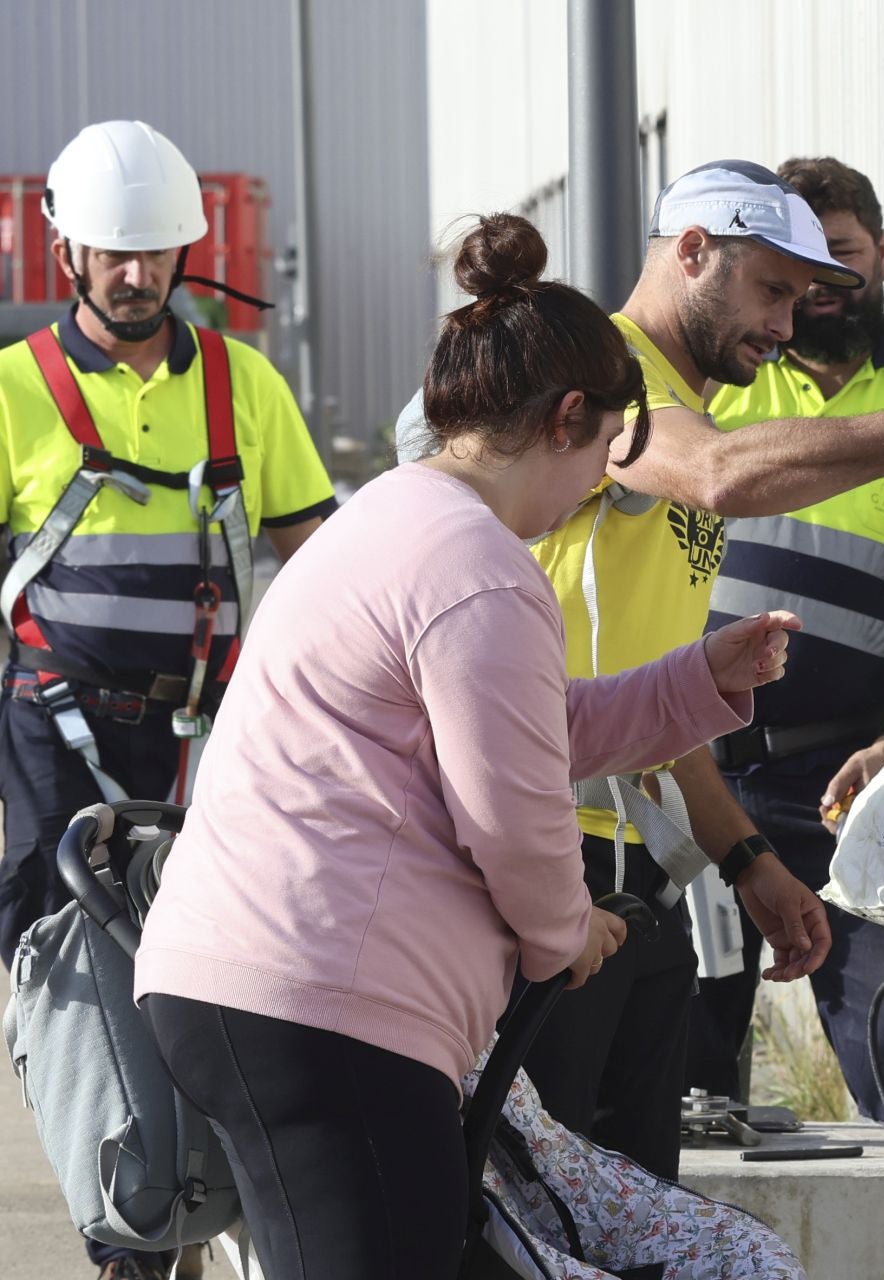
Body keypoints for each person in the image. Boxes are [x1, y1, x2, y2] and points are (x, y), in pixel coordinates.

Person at [133, 214, 798, 1279]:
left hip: (263, 981)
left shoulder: (394, 516)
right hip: (320, 999)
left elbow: (532, 728)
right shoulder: (478, 566)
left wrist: (695, 680)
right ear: (568, 418)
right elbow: (514, 811)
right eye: (603, 456)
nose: (594, 487)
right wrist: (563, 927)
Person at [392, 158, 884, 1184]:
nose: (789, 326)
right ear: (693, 252)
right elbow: (717, 472)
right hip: (534, 857)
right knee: (539, 1204)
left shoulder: (679, 397)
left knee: (634, 1198)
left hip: (635, 870)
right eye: (773, 291)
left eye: (803, 298)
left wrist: (746, 857)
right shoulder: (595, 375)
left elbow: (650, 692)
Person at [0, 120, 335, 1280]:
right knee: (78, 965)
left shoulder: (245, 385)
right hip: (56, 723)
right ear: (67, 256)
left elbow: (320, 555)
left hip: (208, 723)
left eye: (154, 254)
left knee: (214, 957)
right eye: (112, 255)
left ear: (186, 253)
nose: (136, 277)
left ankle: (194, 1188)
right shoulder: (12, 391)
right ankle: (123, 1223)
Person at [686, 156, 884, 1245]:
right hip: (698, 766)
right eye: (792, 272)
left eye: (841, 258)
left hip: (851, 774)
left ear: (883, 254)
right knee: (685, 1043)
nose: (816, 288)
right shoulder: (722, 369)